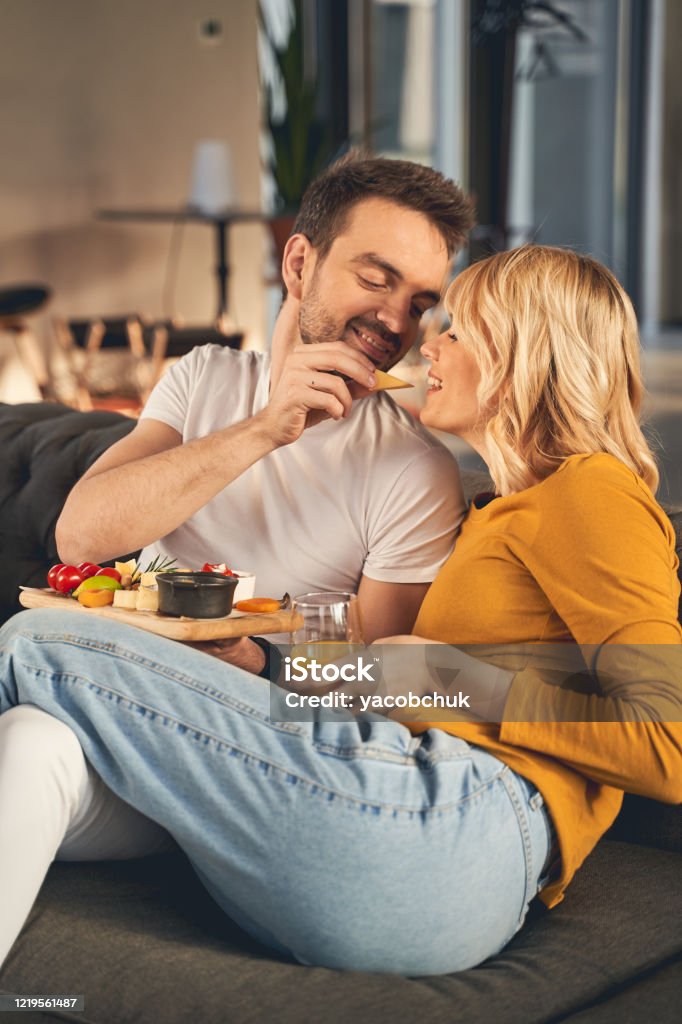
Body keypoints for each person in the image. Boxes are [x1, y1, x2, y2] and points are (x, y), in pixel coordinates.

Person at [1, 245, 680, 975]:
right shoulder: (496, 513)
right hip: (405, 841)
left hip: (458, 828)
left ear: (525, 355)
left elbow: (668, 739)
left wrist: (450, 678)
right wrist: (263, 663)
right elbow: (401, 684)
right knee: (32, 731)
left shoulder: (590, 492)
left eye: (455, 327)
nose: (430, 343)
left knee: (35, 643)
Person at [56, 155, 474, 645]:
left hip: (245, 709)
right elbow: (79, 539)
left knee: (28, 644)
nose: (397, 322)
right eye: (375, 281)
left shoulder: (414, 468)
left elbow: (374, 680)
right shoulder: (202, 376)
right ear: (299, 265)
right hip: (121, 669)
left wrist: (254, 659)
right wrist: (266, 428)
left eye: (419, 306)